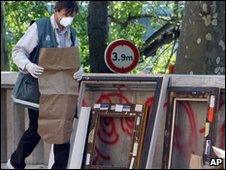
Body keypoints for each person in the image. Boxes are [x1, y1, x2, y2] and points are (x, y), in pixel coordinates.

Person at [6, 1, 83, 169]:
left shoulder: (72, 35)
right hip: (40, 90)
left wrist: (80, 70)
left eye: (72, 16)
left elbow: (74, 60)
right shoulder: (39, 27)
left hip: (63, 92)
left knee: (64, 130)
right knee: (37, 129)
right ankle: (15, 162)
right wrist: (28, 66)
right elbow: (18, 51)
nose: (68, 19)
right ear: (56, 11)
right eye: (65, 14)